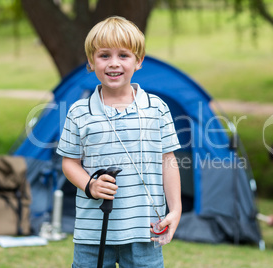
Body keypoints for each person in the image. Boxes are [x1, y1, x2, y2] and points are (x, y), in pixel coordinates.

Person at [56, 16, 182, 267]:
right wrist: (90, 185)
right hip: (92, 234)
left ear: (139, 61)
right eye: (104, 56)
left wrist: (175, 210)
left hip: (145, 230)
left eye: (123, 55)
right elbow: (70, 163)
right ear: (92, 61)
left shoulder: (157, 108)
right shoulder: (79, 112)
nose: (114, 64)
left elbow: (168, 161)